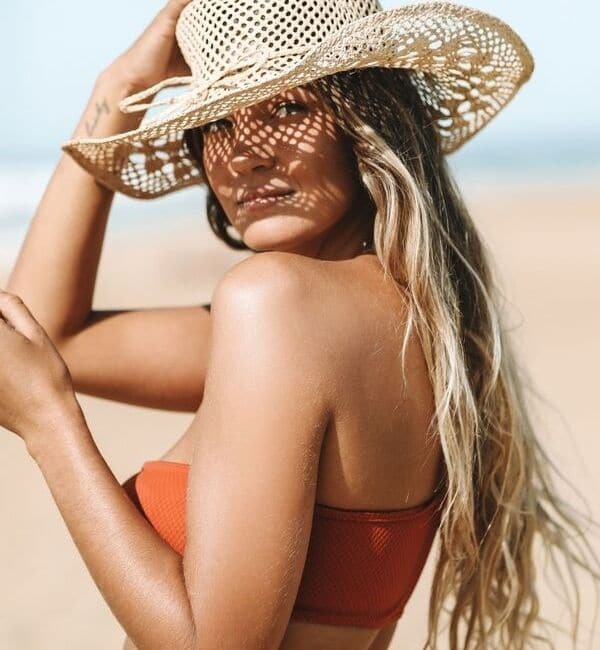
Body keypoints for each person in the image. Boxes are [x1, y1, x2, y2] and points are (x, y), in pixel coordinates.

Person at [1, 0, 598, 649]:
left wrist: (51, 427)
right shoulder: (404, 321)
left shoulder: (277, 307)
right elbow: (41, 337)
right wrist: (116, 90)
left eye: (289, 108)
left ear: (366, 121)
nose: (245, 157)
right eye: (218, 122)